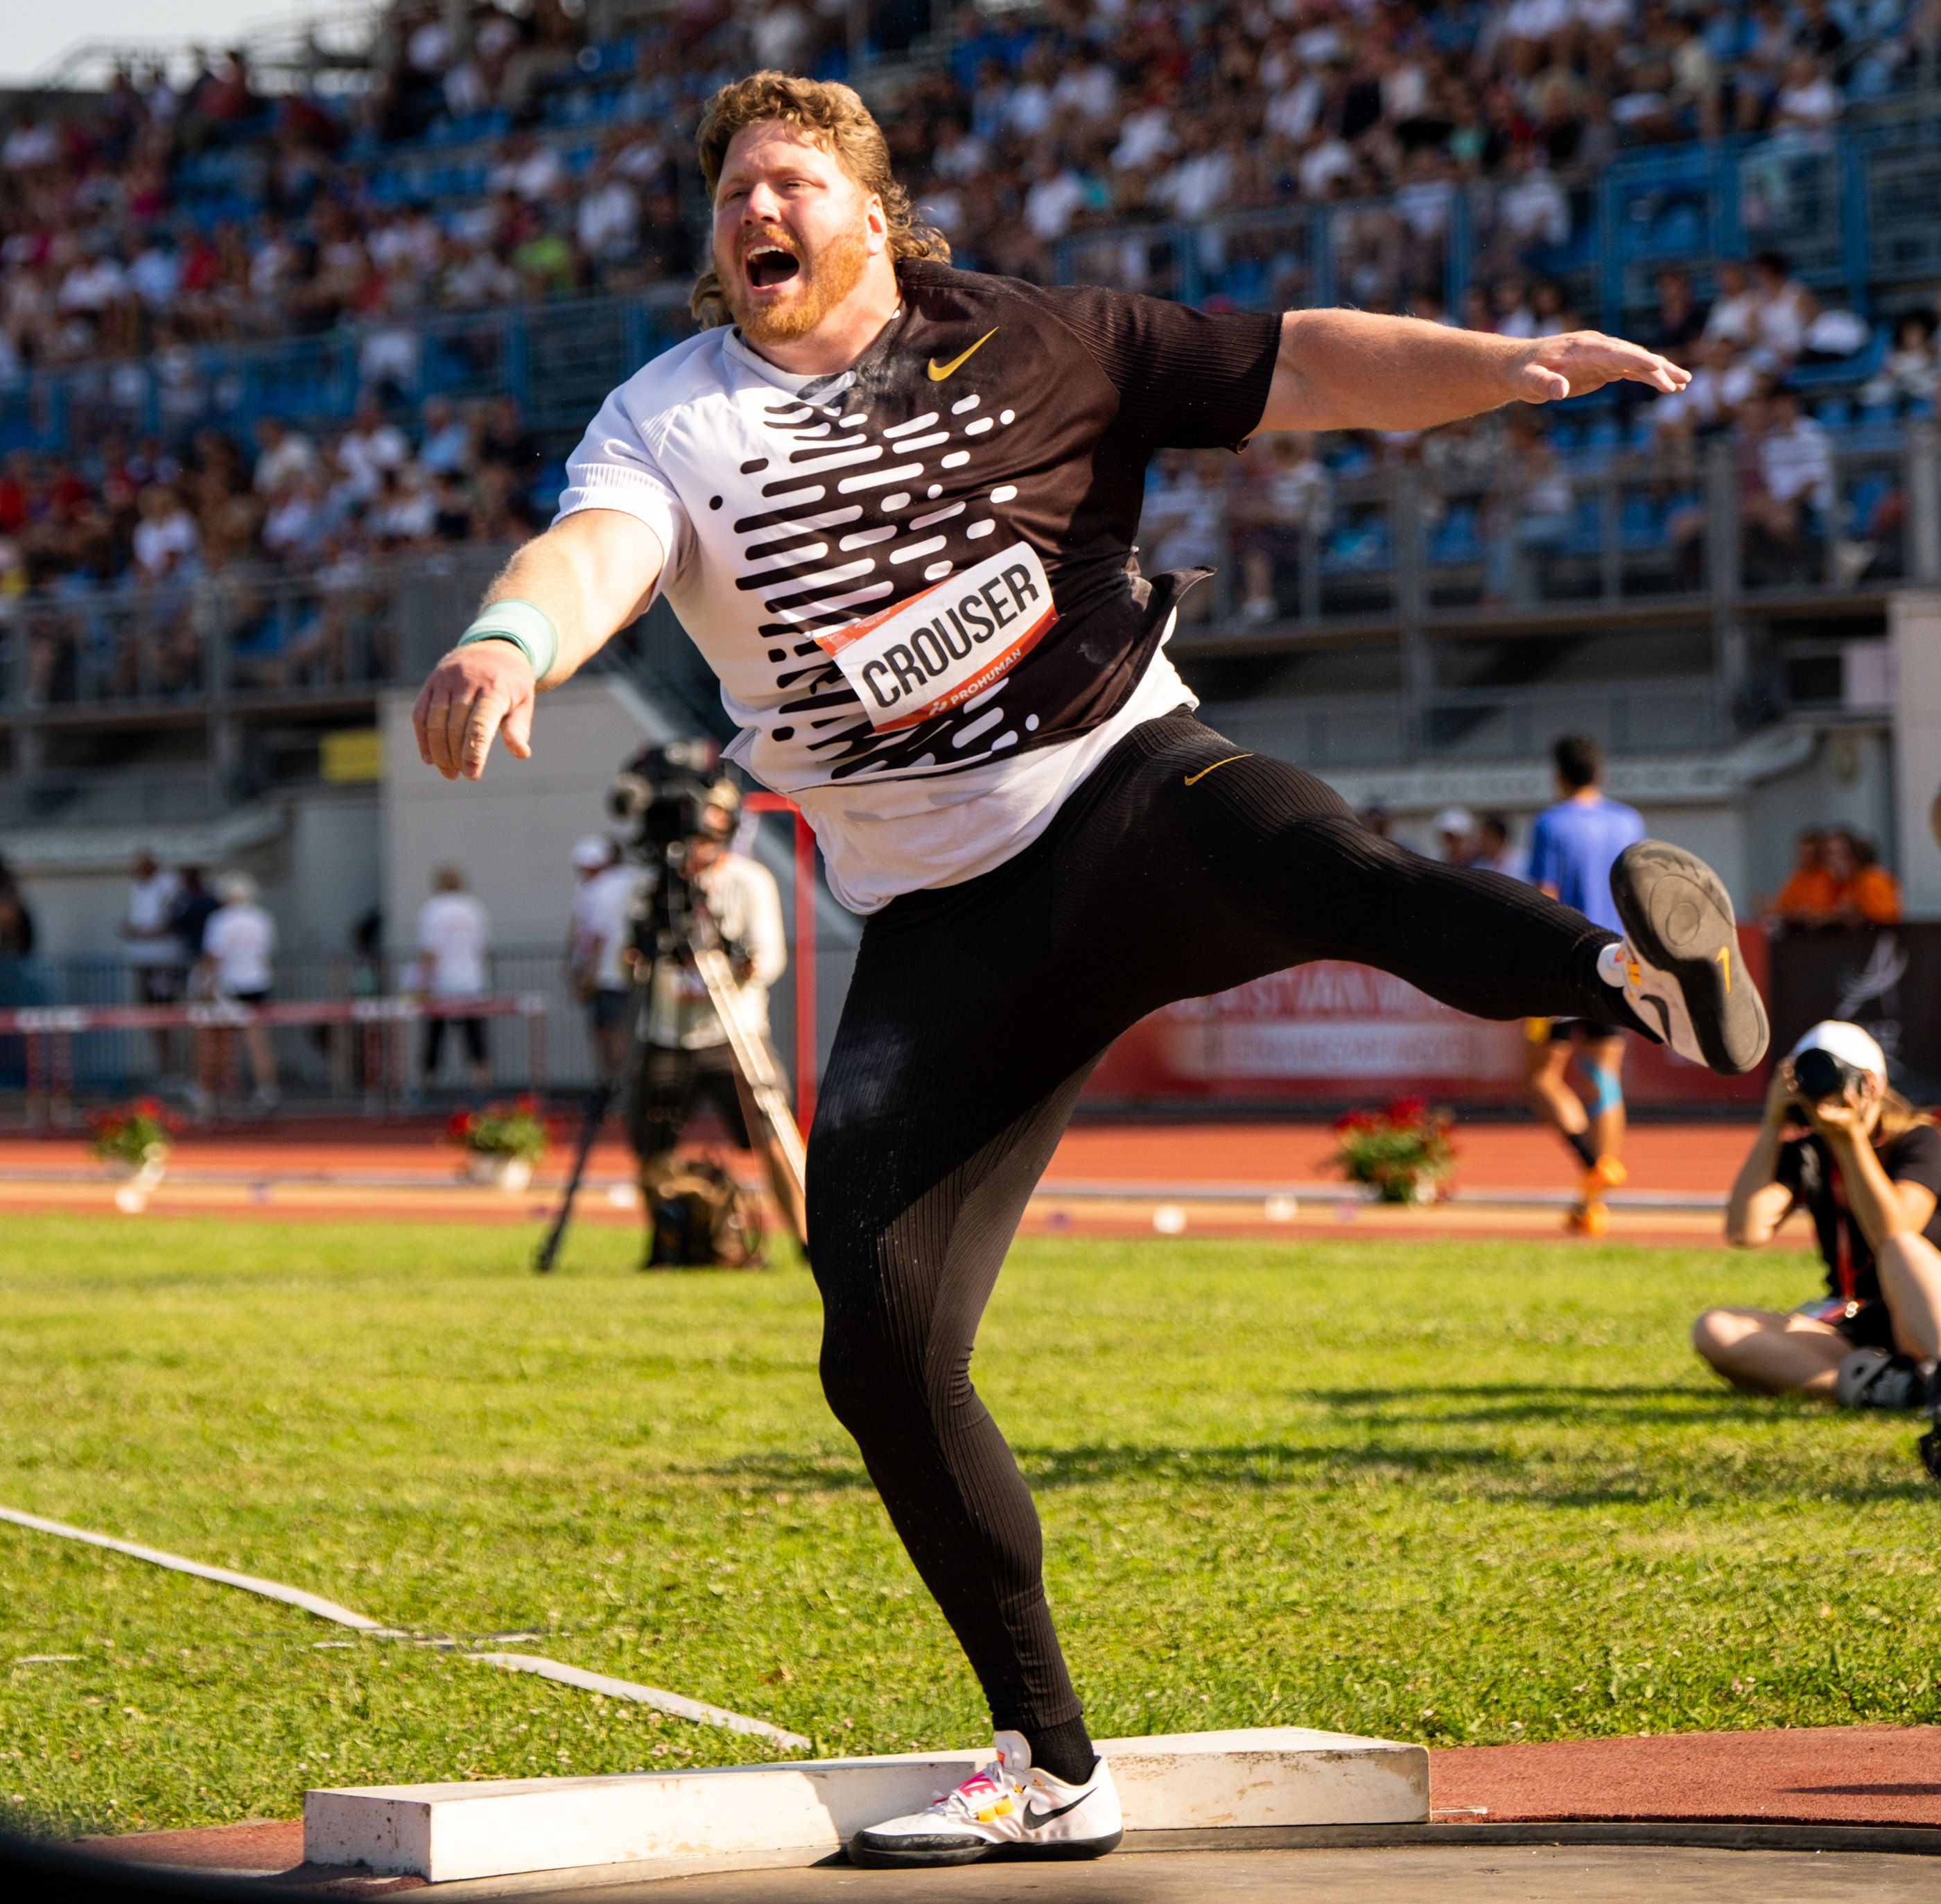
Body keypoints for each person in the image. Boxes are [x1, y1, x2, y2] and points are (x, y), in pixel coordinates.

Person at [410, 71, 1764, 1869]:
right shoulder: (671, 422)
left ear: (874, 218)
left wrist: (1497, 362)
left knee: (1329, 867)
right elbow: (597, 554)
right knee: (881, 1347)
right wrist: (512, 639)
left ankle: (1638, 980)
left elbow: (1315, 369)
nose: (755, 208)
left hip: (1129, 788)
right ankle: (1053, 1765)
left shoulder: (1057, 343)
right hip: (944, 923)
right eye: (730, 187)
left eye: (791, 179)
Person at [1698, 1022, 1941, 1408]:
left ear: (1873, 1086)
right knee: (1716, 1328)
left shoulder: (1921, 1140)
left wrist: (1850, 1140)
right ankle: (1886, 1388)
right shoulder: (1811, 1151)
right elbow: (1745, 1230)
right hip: (1858, 1322)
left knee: (1904, 1249)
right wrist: (1772, 1123)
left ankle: (1934, 1369)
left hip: (1925, 1315)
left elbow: (1893, 1233)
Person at [1522, 734, 1648, 1236]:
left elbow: (1545, 896)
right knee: (1603, 1074)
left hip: (1562, 960)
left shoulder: (1551, 823)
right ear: (1601, 772)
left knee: (1541, 1079)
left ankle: (1588, 1160)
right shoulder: (1628, 822)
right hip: (1618, 960)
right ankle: (1596, 1200)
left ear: (1559, 774)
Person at [629, 788, 786, 1187]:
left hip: (733, 1032)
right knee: (653, 1142)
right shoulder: (652, 887)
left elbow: (769, 958)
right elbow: (628, 957)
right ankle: (667, 1238)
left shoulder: (749, 880)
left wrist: (739, 965)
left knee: (772, 1134)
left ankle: (806, 1239)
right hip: (666, 1032)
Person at [197, 871, 279, 1111]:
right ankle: (267, 1090)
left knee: (216, 1038)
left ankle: (212, 1095)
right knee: (258, 1040)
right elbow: (267, 954)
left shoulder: (220, 920)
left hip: (230, 986)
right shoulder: (262, 918)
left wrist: (205, 987)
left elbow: (213, 957)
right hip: (258, 984)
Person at [567, 833, 642, 1080]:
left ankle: (613, 1082)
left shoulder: (607, 888)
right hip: (605, 971)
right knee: (605, 1029)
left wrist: (586, 972)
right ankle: (611, 1080)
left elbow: (600, 934)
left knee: (611, 1030)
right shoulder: (601, 887)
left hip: (608, 972)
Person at [413, 865, 493, 1093]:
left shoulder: (433, 909)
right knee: (475, 1036)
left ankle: (429, 1085)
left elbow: (430, 952)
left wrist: (421, 983)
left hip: (442, 984)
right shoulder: (474, 908)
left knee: (435, 1036)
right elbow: (482, 949)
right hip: (471, 982)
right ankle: (480, 1084)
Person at [121, 850, 186, 1083]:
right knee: (151, 1015)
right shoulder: (138, 887)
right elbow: (136, 921)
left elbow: (172, 922)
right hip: (144, 962)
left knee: (166, 1014)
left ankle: (175, 1068)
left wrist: (143, 934)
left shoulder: (168, 885)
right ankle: (164, 1066)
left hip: (163, 962)